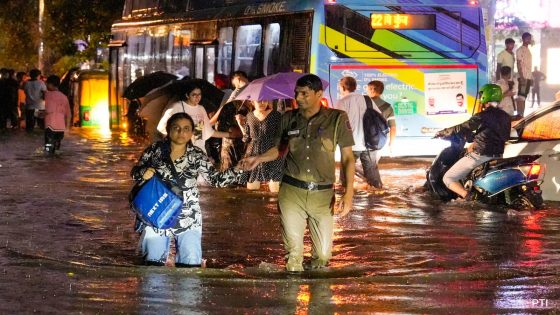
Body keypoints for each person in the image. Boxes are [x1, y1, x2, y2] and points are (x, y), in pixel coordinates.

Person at [239, 74, 355, 272]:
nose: (298, 98)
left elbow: (347, 158)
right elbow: (278, 149)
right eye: (296, 93)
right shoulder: (288, 119)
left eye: (304, 94)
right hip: (292, 192)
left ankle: (318, 299)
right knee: (293, 255)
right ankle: (290, 298)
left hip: (323, 196)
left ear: (319, 94)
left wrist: (349, 192)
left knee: (323, 257)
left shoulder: (337, 119)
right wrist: (257, 159)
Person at [131, 112, 244, 267]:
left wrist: (238, 169)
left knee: (190, 268)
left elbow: (216, 180)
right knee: (152, 268)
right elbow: (135, 173)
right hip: (157, 214)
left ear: (192, 132)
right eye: (176, 128)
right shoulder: (154, 150)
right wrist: (143, 173)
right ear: (168, 129)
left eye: (186, 128)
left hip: (188, 216)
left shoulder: (197, 155)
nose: (181, 132)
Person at [435, 84, 511, 200]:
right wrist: (475, 137)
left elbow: (463, 127)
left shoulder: (482, 116)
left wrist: (444, 132)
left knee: (448, 178)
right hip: (498, 155)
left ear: (485, 96)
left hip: (480, 155)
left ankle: (469, 197)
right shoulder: (506, 117)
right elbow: (501, 135)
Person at [334, 76, 383, 190]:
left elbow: (338, 123)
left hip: (350, 144)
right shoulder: (367, 99)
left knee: (346, 178)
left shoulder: (342, 102)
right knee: (374, 181)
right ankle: (376, 200)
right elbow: (379, 116)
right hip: (369, 144)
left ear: (342, 87)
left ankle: (347, 198)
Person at [157, 84, 231, 152]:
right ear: (187, 95)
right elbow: (162, 128)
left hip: (199, 151)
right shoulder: (177, 107)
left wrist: (230, 134)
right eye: (194, 95)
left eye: (199, 94)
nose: (197, 97)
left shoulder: (201, 109)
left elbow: (208, 132)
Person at [236, 100, 283, 192]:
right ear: (252, 102)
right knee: (252, 190)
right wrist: (240, 124)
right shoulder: (249, 116)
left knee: (275, 189)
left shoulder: (276, 115)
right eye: (259, 101)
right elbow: (246, 138)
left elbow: (279, 135)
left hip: (271, 152)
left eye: (265, 100)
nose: (262, 103)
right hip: (253, 152)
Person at [210, 71, 250, 170]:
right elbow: (205, 131)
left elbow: (209, 128)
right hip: (232, 142)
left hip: (235, 142)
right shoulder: (231, 95)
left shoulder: (233, 94)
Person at [363, 80, 397, 189]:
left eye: (368, 89)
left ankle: (375, 187)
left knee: (368, 167)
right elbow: (393, 127)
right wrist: (391, 144)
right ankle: (373, 186)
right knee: (373, 165)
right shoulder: (387, 107)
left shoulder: (363, 103)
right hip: (379, 142)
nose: (367, 91)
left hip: (362, 139)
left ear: (372, 90)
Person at [43, 75, 71, 155]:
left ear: (51, 84)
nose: (46, 86)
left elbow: (49, 110)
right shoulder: (64, 97)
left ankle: (50, 165)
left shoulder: (48, 95)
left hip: (50, 126)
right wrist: (67, 128)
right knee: (56, 149)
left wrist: (42, 114)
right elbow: (68, 114)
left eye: (47, 84)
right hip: (61, 128)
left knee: (48, 150)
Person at [515, 32, 533, 117]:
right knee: (521, 97)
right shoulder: (520, 50)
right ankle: (519, 115)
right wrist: (522, 77)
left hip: (528, 77)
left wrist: (531, 78)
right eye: (528, 38)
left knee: (523, 97)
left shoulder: (528, 50)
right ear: (523, 39)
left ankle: (522, 116)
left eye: (530, 38)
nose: (529, 40)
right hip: (523, 77)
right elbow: (518, 64)